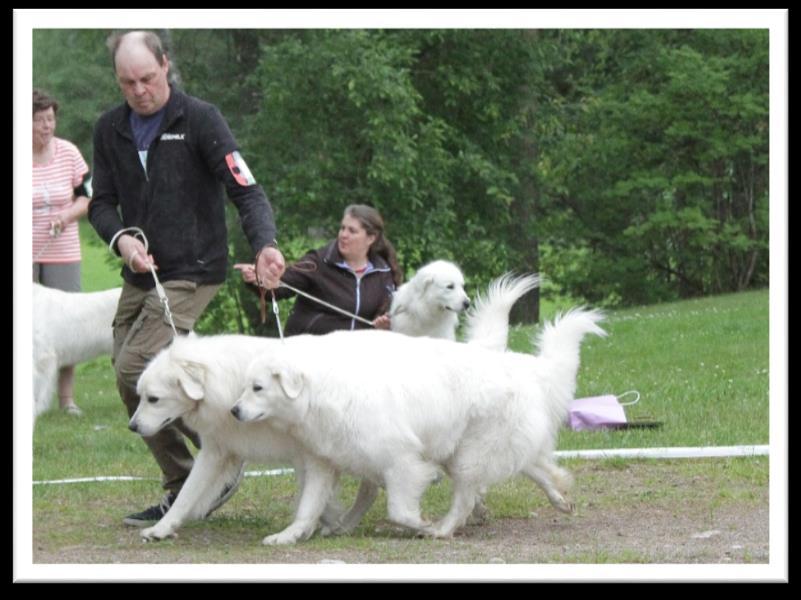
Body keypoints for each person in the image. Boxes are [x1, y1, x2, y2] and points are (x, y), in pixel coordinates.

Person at [88, 31, 285, 527]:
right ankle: (202, 467)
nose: (138, 90)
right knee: (129, 379)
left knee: (136, 371)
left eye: (147, 79)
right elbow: (100, 203)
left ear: (166, 66)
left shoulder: (200, 118)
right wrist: (122, 242)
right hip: (140, 274)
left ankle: (205, 469)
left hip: (193, 271)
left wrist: (266, 245)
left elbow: (247, 191)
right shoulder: (109, 127)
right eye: (127, 81)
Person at [235, 204, 401, 335]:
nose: (343, 235)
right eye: (342, 228)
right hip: (308, 356)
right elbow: (280, 287)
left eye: (352, 231)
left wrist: (383, 326)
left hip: (352, 360)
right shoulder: (317, 262)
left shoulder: (384, 274)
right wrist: (259, 277)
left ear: (371, 238)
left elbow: (386, 316)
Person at [32, 89, 93, 416]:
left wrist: (67, 216)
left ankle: (66, 398)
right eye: (39, 120)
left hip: (63, 248)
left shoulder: (69, 152)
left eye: (50, 119)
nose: (46, 126)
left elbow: (87, 196)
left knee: (66, 324)